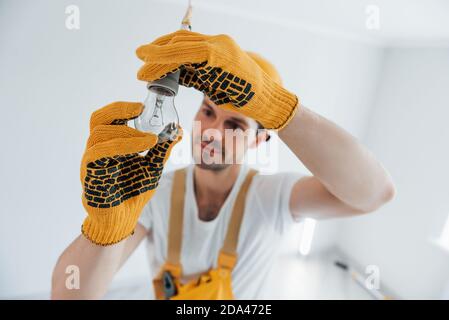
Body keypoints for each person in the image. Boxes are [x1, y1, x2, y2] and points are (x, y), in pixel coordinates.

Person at [51, 30, 395, 299]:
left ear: (259, 140)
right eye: (208, 111)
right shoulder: (152, 192)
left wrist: (278, 108)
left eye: (235, 125)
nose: (212, 132)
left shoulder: (271, 196)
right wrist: (105, 231)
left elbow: (374, 194)